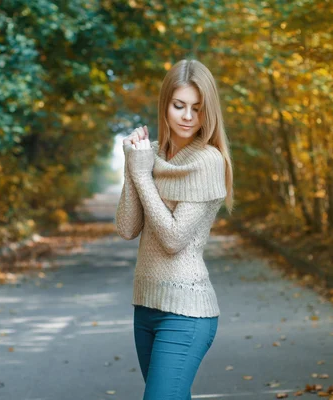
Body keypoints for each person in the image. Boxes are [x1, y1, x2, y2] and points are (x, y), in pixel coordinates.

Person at [114, 59, 234, 399]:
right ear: (164, 104)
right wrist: (132, 166)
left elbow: (172, 238)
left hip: (187, 314)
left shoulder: (207, 161)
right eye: (179, 105)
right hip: (146, 307)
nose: (187, 116)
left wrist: (141, 174)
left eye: (197, 108)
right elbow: (127, 227)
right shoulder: (152, 157)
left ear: (208, 112)